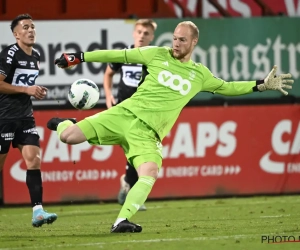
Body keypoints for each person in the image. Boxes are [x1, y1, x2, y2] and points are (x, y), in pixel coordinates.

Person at [48, 21, 293, 233]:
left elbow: (227, 87)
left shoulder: (200, 75)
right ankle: (64, 123)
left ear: (194, 42)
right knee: (68, 137)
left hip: (148, 133)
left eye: (182, 40)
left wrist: (260, 84)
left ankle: (122, 220)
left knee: (150, 171)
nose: (175, 43)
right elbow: (118, 55)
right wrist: (79, 57)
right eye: (174, 38)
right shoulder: (156, 54)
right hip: (122, 114)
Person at [0, 14, 57, 227]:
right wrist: (26, 89)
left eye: (33, 26)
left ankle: (38, 212)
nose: (31, 30)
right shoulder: (9, 54)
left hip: (25, 118)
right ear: (16, 34)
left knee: (34, 160)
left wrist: (36, 91)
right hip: (4, 118)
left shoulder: (37, 55)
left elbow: (26, 86)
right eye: (26, 27)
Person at [103, 19, 157, 209]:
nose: (142, 36)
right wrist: (108, 96)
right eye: (140, 32)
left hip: (144, 112)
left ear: (152, 37)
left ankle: (129, 185)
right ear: (134, 34)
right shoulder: (123, 55)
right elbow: (108, 74)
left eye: (146, 33)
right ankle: (130, 187)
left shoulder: (154, 58)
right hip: (124, 109)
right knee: (135, 149)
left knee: (138, 150)